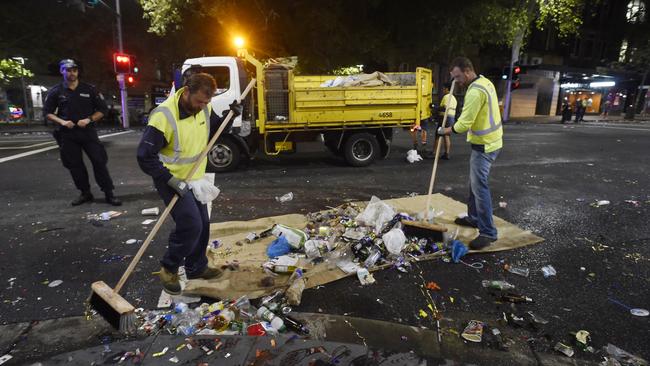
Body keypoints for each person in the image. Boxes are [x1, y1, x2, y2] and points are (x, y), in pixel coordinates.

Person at [136, 73, 242, 295]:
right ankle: (169, 268)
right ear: (186, 92)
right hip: (170, 178)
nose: (203, 106)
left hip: (194, 177)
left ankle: (196, 267)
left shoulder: (203, 107)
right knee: (191, 224)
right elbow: (145, 156)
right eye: (199, 101)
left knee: (203, 223)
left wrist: (229, 117)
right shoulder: (163, 116)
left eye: (207, 102)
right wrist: (170, 180)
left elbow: (211, 131)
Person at [437, 57, 503, 250]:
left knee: (479, 188)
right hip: (493, 141)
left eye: (458, 76)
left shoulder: (475, 92)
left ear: (467, 71)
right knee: (474, 184)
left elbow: (463, 124)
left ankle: (488, 232)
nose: (457, 81)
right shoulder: (485, 82)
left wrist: (444, 131)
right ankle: (474, 218)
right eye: (454, 77)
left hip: (485, 146)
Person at [43, 59, 122, 206]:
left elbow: (102, 110)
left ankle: (109, 193)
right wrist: (62, 122)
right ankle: (85, 193)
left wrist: (89, 119)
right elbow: (47, 113)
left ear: (77, 72)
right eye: (68, 70)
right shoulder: (56, 91)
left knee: (99, 162)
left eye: (74, 70)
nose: (71, 73)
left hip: (88, 132)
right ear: (62, 71)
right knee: (75, 165)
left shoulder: (89, 89)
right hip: (67, 134)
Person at [434, 85, 457, 160]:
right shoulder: (454, 98)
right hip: (451, 118)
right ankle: (446, 153)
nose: (443, 90)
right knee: (446, 135)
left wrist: (434, 107)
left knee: (438, 134)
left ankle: (434, 153)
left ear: (447, 89)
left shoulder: (446, 96)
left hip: (445, 118)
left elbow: (444, 107)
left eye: (444, 89)